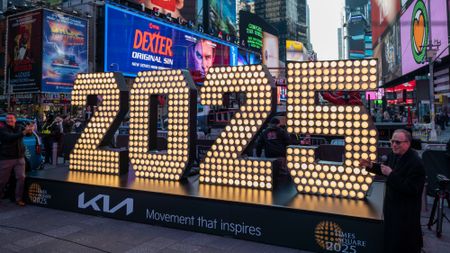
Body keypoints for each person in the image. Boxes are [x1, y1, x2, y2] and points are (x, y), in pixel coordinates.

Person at [360, 129, 425, 253]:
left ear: (407, 143)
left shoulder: (416, 163)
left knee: (404, 243)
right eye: (392, 141)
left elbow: (411, 189)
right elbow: (384, 169)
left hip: (406, 212)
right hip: (392, 207)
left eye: (398, 142)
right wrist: (370, 166)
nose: (394, 145)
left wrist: (391, 174)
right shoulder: (393, 155)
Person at [0, 113, 34, 206]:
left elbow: (28, 133)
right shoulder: (3, 129)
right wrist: (23, 132)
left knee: (21, 178)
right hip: (7, 158)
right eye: (7, 118)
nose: (9, 120)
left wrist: (30, 130)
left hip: (20, 158)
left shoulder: (19, 126)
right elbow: (10, 138)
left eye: (11, 118)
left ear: (15, 119)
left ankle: (18, 199)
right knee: (3, 180)